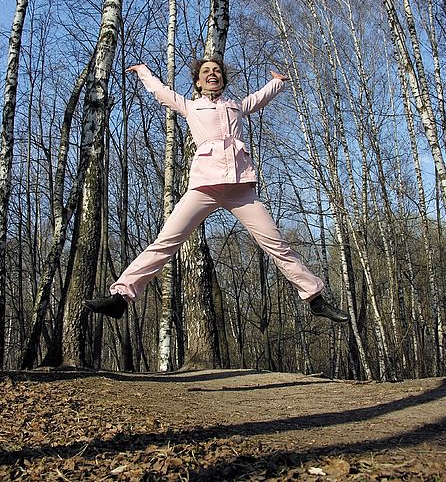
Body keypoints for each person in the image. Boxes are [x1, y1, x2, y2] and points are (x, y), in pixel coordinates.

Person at [84, 58, 348, 323]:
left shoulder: (237, 105)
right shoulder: (190, 106)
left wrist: (278, 82)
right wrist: (143, 72)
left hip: (239, 188)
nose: (213, 74)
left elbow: (260, 97)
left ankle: (315, 298)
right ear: (198, 81)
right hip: (204, 187)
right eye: (206, 72)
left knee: (277, 244)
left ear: (223, 79)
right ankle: (121, 297)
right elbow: (161, 92)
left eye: (217, 71)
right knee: (165, 242)